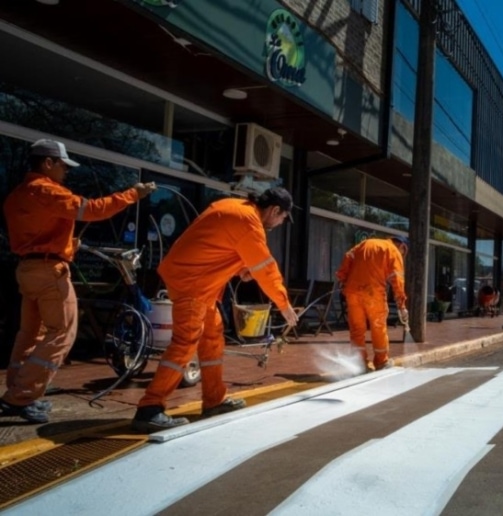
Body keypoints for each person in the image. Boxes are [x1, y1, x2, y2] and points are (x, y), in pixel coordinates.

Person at [1, 139, 156, 423]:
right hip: (50, 271)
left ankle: (19, 390)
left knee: (30, 334)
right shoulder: (46, 190)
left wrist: (68, 243)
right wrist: (132, 194)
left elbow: (38, 232)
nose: (66, 172)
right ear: (48, 163)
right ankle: (19, 397)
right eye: (63, 165)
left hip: (28, 270)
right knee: (62, 333)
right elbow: (93, 209)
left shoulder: (17, 195)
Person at [132, 187, 299, 433]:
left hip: (196, 281)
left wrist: (239, 266)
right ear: (275, 210)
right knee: (186, 341)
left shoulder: (235, 208)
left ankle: (214, 400)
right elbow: (266, 268)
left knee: (212, 336)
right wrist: (284, 305)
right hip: (193, 284)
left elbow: (213, 247)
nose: (282, 222)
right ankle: (150, 408)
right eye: (283, 217)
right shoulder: (249, 222)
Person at [335, 236, 409, 371]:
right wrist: (401, 305)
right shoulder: (393, 251)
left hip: (352, 292)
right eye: (404, 253)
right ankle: (382, 362)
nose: (402, 255)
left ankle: (360, 363)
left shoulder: (365, 243)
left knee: (357, 330)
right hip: (373, 293)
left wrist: (342, 278)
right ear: (402, 246)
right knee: (378, 326)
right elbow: (397, 279)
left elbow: (348, 256)